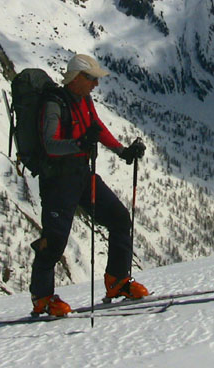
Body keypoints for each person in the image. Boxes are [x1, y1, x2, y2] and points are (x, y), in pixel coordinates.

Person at [30, 53, 148, 317]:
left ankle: (117, 281)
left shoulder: (84, 100)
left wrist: (121, 151)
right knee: (54, 241)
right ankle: (42, 298)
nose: (96, 84)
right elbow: (50, 144)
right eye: (92, 79)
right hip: (58, 182)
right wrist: (79, 144)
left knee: (119, 218)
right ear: (77, 77)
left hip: (82, 175)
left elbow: (96, 127)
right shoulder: (54, 104)